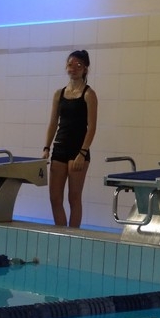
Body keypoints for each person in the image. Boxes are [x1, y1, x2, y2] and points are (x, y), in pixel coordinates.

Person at [42, 50, 98, 228]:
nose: (73, 68)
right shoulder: (59, 94)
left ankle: (73, 236)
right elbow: (53, 123)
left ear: (85, 69)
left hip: (78, 150)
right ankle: (62, 235)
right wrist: (46, 148)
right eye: (70, 64)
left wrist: (83, 153)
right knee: (54, 198)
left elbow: (92, 127)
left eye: (78, 65)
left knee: (74, 197)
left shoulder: (89, 94)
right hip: (60, 148)